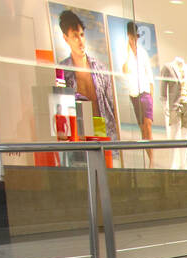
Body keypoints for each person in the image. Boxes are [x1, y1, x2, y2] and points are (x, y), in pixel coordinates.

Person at [58, 10, 119, 145]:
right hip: (79, 135)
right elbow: (60, 109)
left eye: (82, 35)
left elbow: (111, 105)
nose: (81, 41)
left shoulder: (100, 69)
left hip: (103, 132)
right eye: (75, 36)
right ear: (65, 38)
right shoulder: (62, 71)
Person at [122, 22, 155, 165]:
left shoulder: (142, 53)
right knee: (142, 128)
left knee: (147, 125)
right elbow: (124, 70)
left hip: (145, 91)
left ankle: (152, 159)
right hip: (133, 92)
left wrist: (152, 91)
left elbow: (149, 72)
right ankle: (149, 157)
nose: (133, 39)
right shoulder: (126, 53)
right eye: (131, 36)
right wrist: (129, 53)